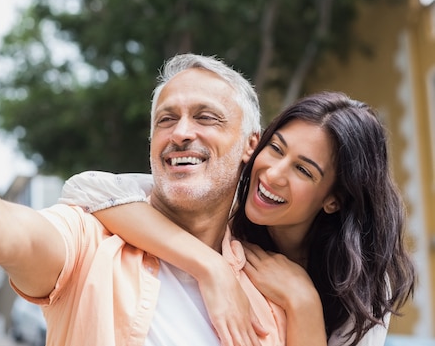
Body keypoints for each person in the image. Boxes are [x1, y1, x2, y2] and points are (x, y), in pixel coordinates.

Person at [0, 53, 286, 346]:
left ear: (250, 144)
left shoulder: (273, 287)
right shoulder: (90, 238)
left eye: (206, 117)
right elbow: (8, 231)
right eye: (166, 120)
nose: (181, 133)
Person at [59, 91, 417, 346]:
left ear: (334, 200)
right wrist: (210, 268)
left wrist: (303, 303)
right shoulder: (224, 211)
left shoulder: (361, 286)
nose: (273, 174)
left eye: (303, 171)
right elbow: (88, 189)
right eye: (275, 149)